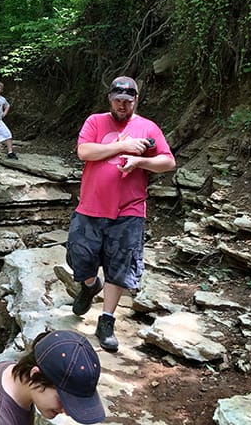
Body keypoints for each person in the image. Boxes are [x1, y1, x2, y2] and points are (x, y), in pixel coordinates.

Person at [66, 75, 176, 353]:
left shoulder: (147, 127)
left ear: (135, 100)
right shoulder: (95, 121)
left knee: (119, 266)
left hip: (130, 210)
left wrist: (141, 161)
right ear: (110, 100)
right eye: (117, 100)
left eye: (127, 101)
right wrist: (123, 146)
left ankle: (107, 320)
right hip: (90, 206)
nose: (122, 106)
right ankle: (90, 286)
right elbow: (84, 152)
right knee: (79, 256)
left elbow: (168, 161)